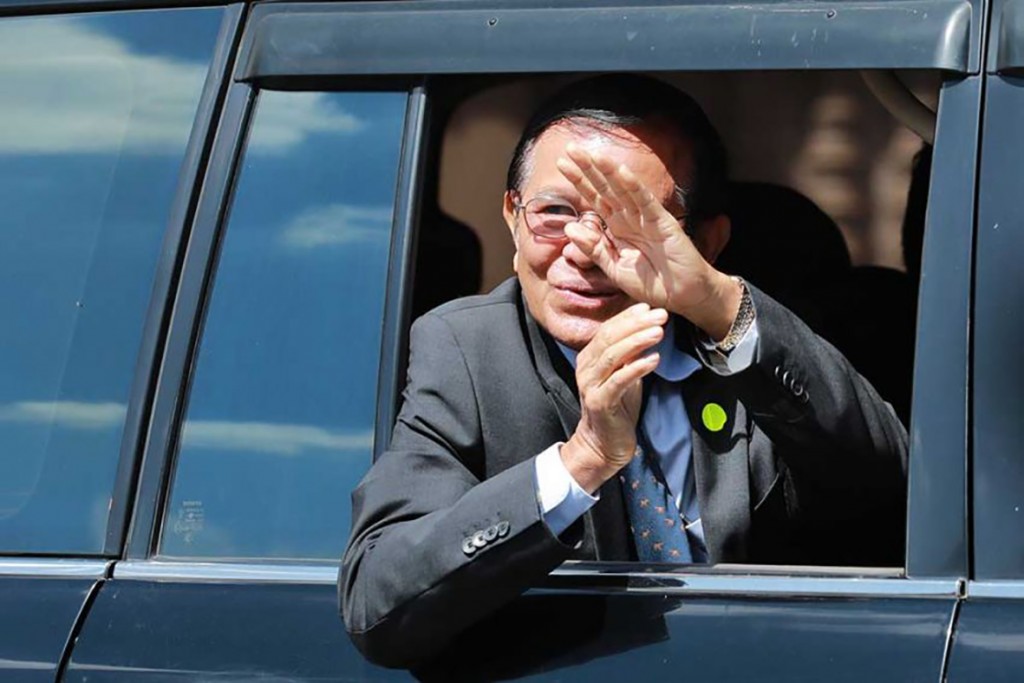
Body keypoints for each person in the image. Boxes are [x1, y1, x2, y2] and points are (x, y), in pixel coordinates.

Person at [340, 74, 908, 669]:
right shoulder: (467, 350)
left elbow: (887, 487)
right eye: (554, 212)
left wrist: (719, 307)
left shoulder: (761, 353)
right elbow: (379, 606)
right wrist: (581, 460)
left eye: (629, 223)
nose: (584, 247)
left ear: (706, 242)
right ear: (511, 215)